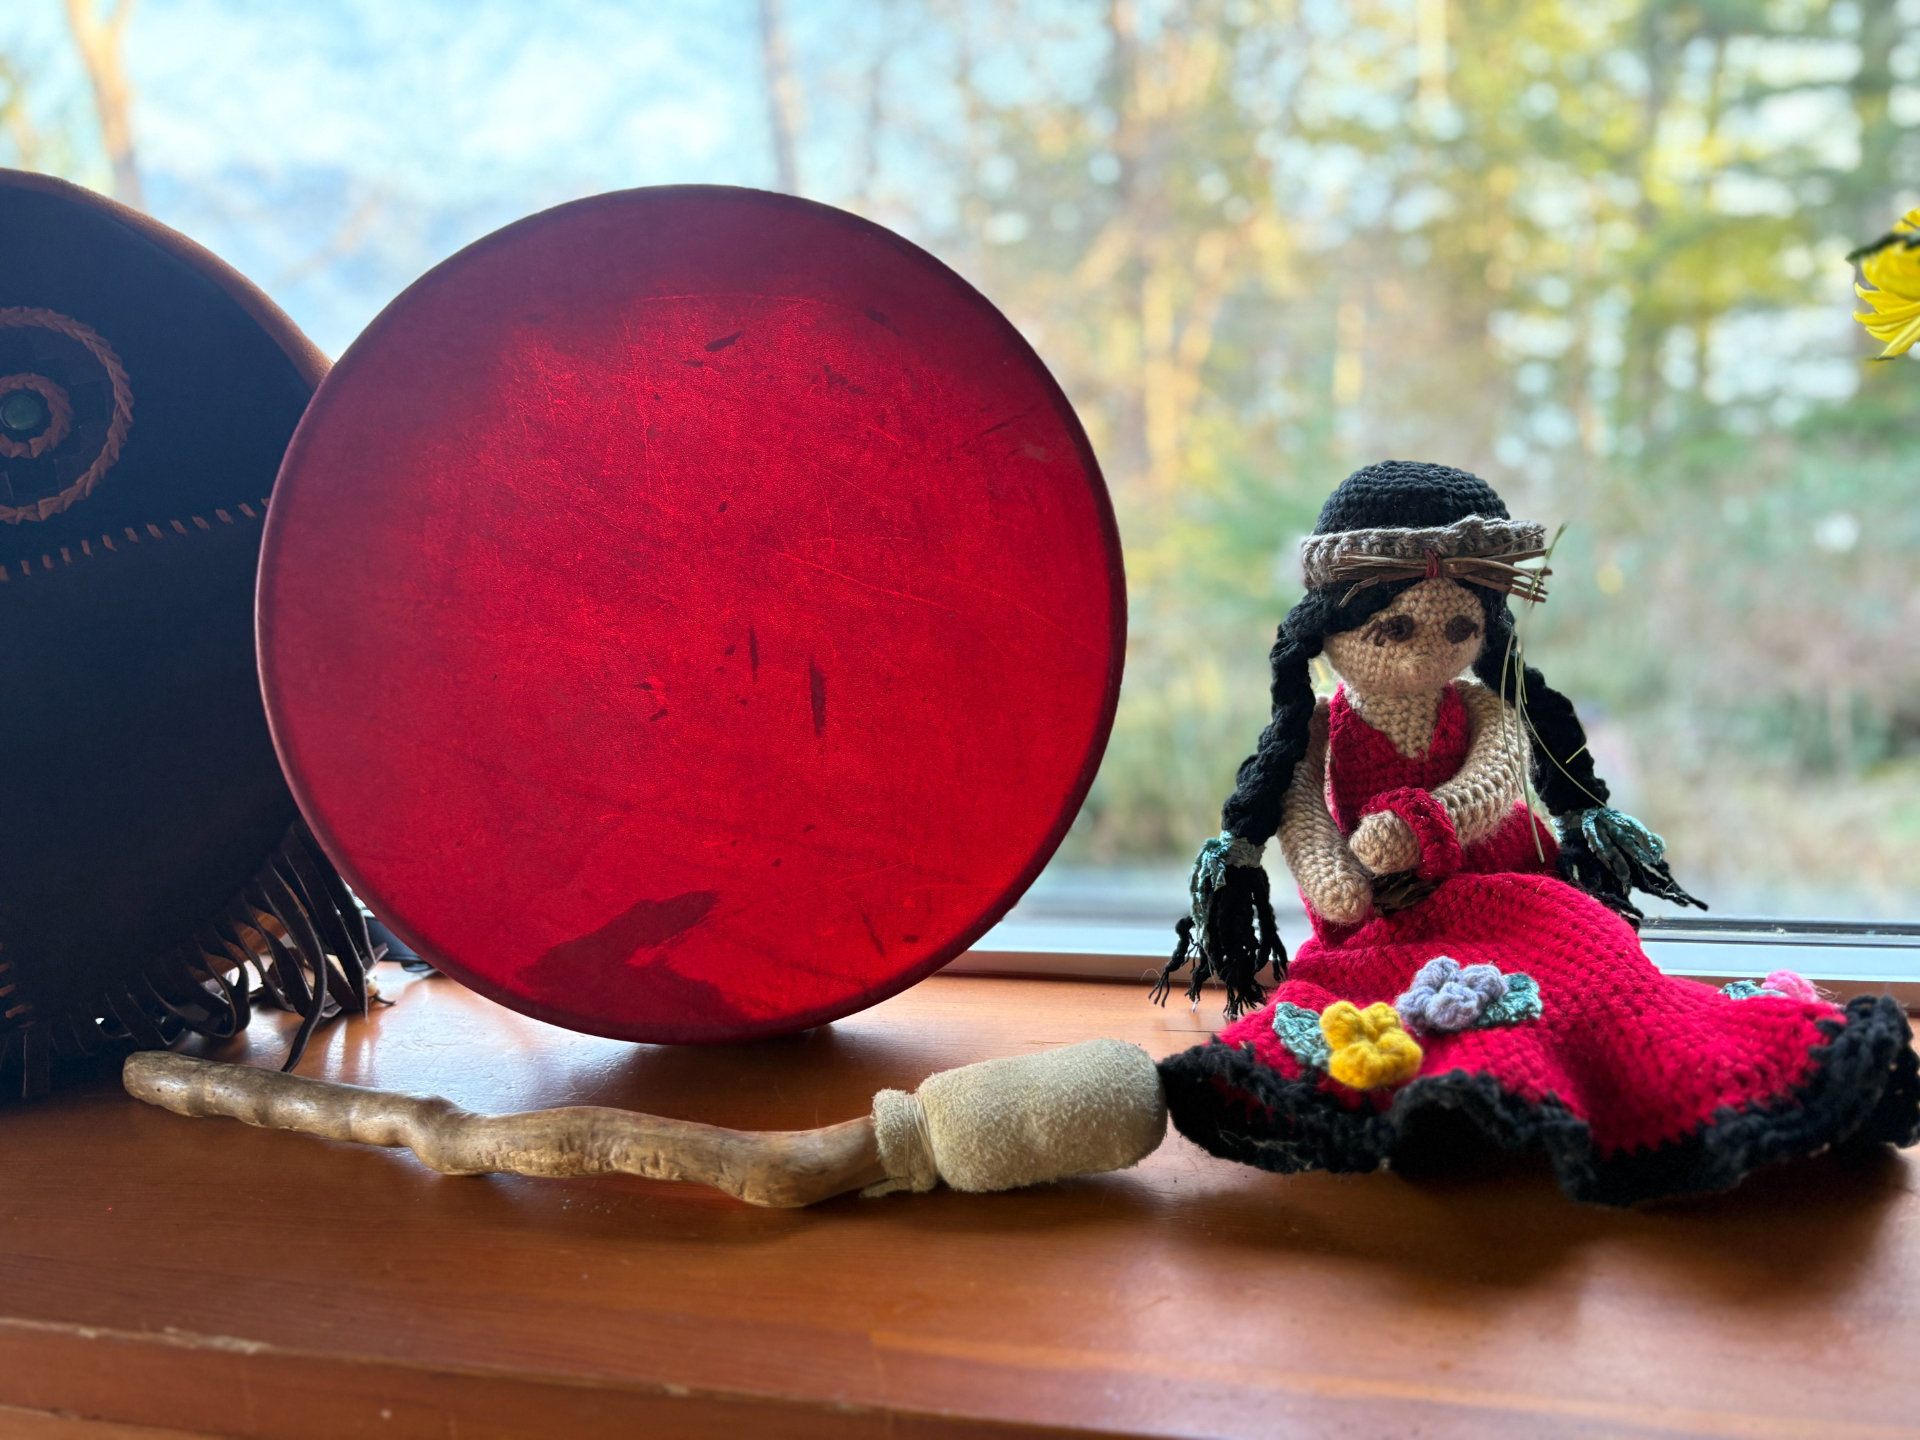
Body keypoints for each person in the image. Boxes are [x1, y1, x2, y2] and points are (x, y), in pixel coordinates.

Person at [1154, 460, 1919, 1205]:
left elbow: (1496, 777)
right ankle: (1458, 1099)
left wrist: (1425, 821)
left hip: (1509, 888)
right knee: (1379, 1007)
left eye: (1459, 627)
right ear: (1329, 626)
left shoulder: (1481, 707)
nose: (1426, 651)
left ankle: (1648, 1080)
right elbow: (1302, 813)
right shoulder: (1320, 729)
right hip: (1384, 914)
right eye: (1395, 627)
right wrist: (1331, 878)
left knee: (1592, 964)